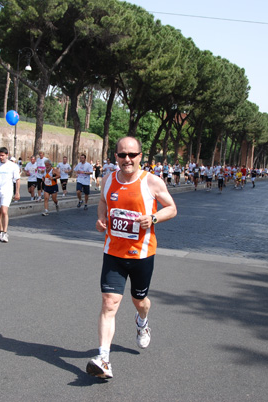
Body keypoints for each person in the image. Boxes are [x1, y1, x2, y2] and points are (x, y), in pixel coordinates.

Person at [86, 136, 177, 380]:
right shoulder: (108, 180)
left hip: (142, 254)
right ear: (115, 156)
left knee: (140, 301)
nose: (127, 159)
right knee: (109, 303)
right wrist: (101, 219)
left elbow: (172, 208)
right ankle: (103, 358)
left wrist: (154, 218)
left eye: (132, 155)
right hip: (113, 253)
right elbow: (103, 204)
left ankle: (142, 320)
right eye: (122, 155)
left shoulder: (152, 181)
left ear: (140, 156)